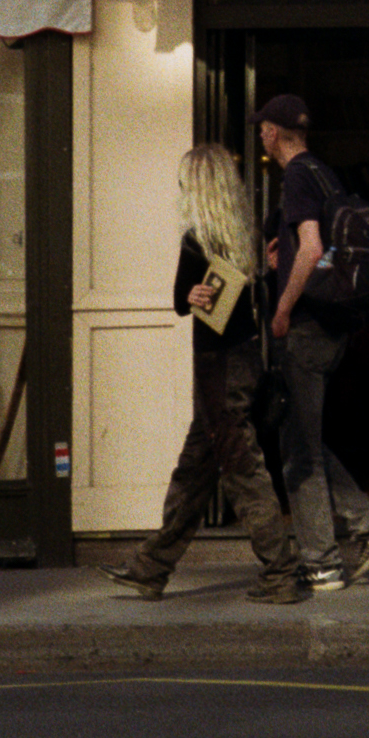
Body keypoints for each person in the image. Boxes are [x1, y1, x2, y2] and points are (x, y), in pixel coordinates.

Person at [104, 142, 303, 605]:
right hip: (244, 361)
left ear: (197, 189)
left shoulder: (197, 241)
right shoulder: (242, 238)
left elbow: (179, 301)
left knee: (243, 470)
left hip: (216, 370)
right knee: (194, 472)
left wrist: (190, 296)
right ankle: (149, 569)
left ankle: (280, 573)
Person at [258, 92, 369, 596]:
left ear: (273, 133)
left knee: (299, 453)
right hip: (336, 326)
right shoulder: (324, 172)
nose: (261, 137)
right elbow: (322, 251)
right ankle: (365, 525)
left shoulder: (295, 175)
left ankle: (323, 562)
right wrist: (287, 247)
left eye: (263, 131)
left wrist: (282, 308)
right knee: (305, 441)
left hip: (308, 329)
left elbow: (315, 249)